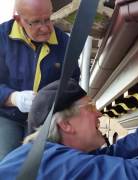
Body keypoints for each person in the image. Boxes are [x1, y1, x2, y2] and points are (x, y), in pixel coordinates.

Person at [0, 79, 138, 179]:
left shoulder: (46, 156)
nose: (100, 114)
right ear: (66, 124)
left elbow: (115, 154)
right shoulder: (53, 163)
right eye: (90, 108)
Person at [0, 0, 80, 160]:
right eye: (36, 22)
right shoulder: (2, 38)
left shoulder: (64, 43)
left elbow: (72, 82)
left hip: (46, 119)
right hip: (8, 115)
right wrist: (13, 98)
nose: (45, 28)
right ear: (19, 19)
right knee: (8, 160)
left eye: (48, 19)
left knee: (44, 163)